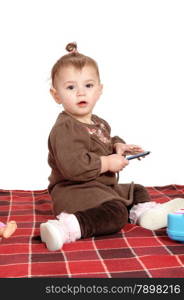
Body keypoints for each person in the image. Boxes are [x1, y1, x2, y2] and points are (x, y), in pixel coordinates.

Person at [40, 42, 184, 251]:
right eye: (71, 87)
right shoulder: (65, 128)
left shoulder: (98, 122)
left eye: (88, 86)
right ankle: (66, 228)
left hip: (100, 187)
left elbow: (105, 140)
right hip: (73, 190)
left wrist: (119, 146)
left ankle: (145, 214)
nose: (81, 93)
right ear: (56, 95)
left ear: (99, 90)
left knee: (136, 190)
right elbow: (73, 166)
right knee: (116, 212)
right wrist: (107, 162)